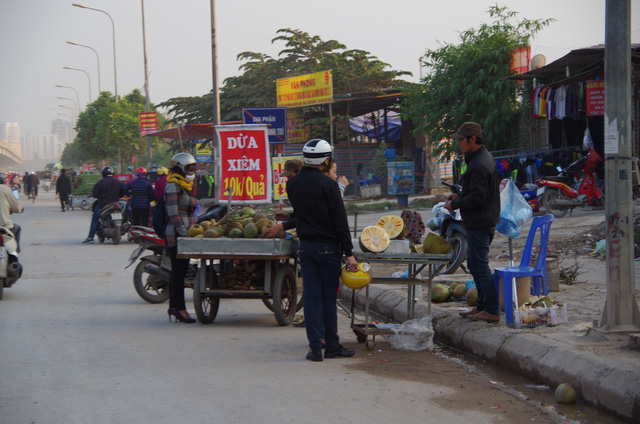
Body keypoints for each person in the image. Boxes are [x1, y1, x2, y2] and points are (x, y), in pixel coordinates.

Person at [287, 139, 358, 362]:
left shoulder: (293, 184)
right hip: (328, 248)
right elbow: (339, 220)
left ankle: (315, 349)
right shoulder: (328, 184)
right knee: (328, 298)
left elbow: (302, 215)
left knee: (310, 297)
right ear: (326, 159)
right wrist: (349, 252)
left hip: (306, 247)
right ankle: (333, 346)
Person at [445, 122, 501, 323]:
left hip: (480, 221)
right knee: (476, 265)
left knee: (480, 266)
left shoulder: (479, 163)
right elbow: (476, 192)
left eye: (461, 139)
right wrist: (458, 194)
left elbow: (478, 198)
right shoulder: (478, 159)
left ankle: (492, 310)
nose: (458, 143)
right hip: (478, 220)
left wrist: (456, 204)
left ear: (473, 139)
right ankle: (482, 307)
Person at [164, 153, 198, 323]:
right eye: (189, 169)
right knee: (178, 272)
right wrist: (184, 233)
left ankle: (174, 307)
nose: (192, 172)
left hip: (186, 233)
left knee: (180, 271)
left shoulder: (186, 185)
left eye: (193, 168)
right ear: (180, 168)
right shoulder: (172, 186)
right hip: (176, 235)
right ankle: (180, 309)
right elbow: (173, 212)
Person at [82, 167, 124, 244]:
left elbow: (95, 194)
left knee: (95, 219)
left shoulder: (101, 182)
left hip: (103, 205)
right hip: (116, 204)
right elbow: (122, 193)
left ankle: (90, 237)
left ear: (103, 174)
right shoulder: (119, 182)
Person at [0, 176, 23, 252]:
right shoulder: (5, 189)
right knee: (17, 228)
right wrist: (20, 209)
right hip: (4, 226)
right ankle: (14, 256)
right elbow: (16, 208)